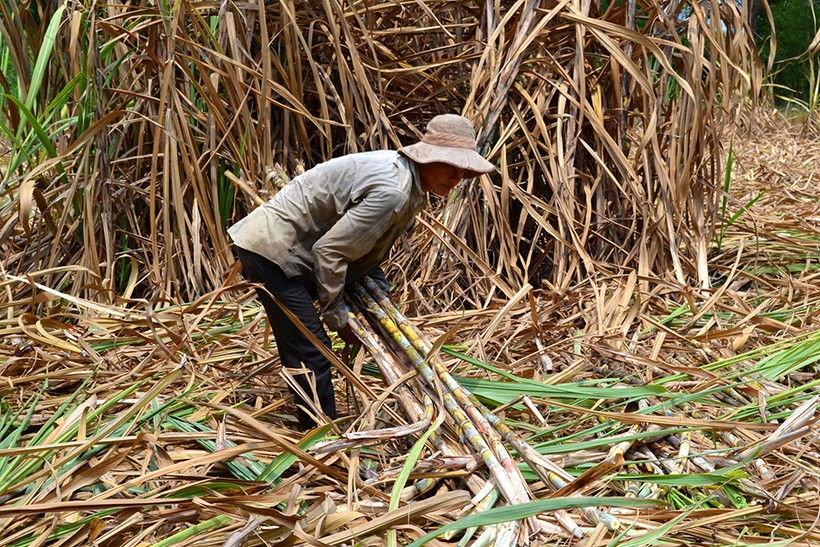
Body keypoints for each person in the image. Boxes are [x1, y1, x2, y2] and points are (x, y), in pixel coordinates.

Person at [228, 114, 495, 430]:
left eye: (463, 173)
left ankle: (315, 428)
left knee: (303, 346)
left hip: (289, 246)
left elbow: (365, 244)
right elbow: (330, 252)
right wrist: (338, 316)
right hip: (272, 251)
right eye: (450, 168)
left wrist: (376, 284)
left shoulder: (412, 186)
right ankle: (321, 442)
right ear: (428, 157)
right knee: (312, 351)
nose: (456, 179)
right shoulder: (394, 190)